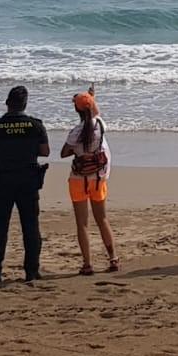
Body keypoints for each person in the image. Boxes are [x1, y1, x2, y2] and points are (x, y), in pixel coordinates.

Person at [0, 85, 49, 282]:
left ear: (7, 103)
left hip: (2, 181)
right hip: (28, 181)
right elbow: (45, 152)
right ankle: (31, 271)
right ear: (25, 105)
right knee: (30, 226)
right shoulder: (35, 126)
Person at [61, 85, 118, 276]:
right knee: (102, 219)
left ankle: (87, 264)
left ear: (76, 110)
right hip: (98, 178)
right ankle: (113, 258)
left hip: (79, 179)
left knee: (82, 224)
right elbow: (96, 113)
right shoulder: (100, 124)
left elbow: (64, 153)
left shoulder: (76, 132)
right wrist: (92, 98)